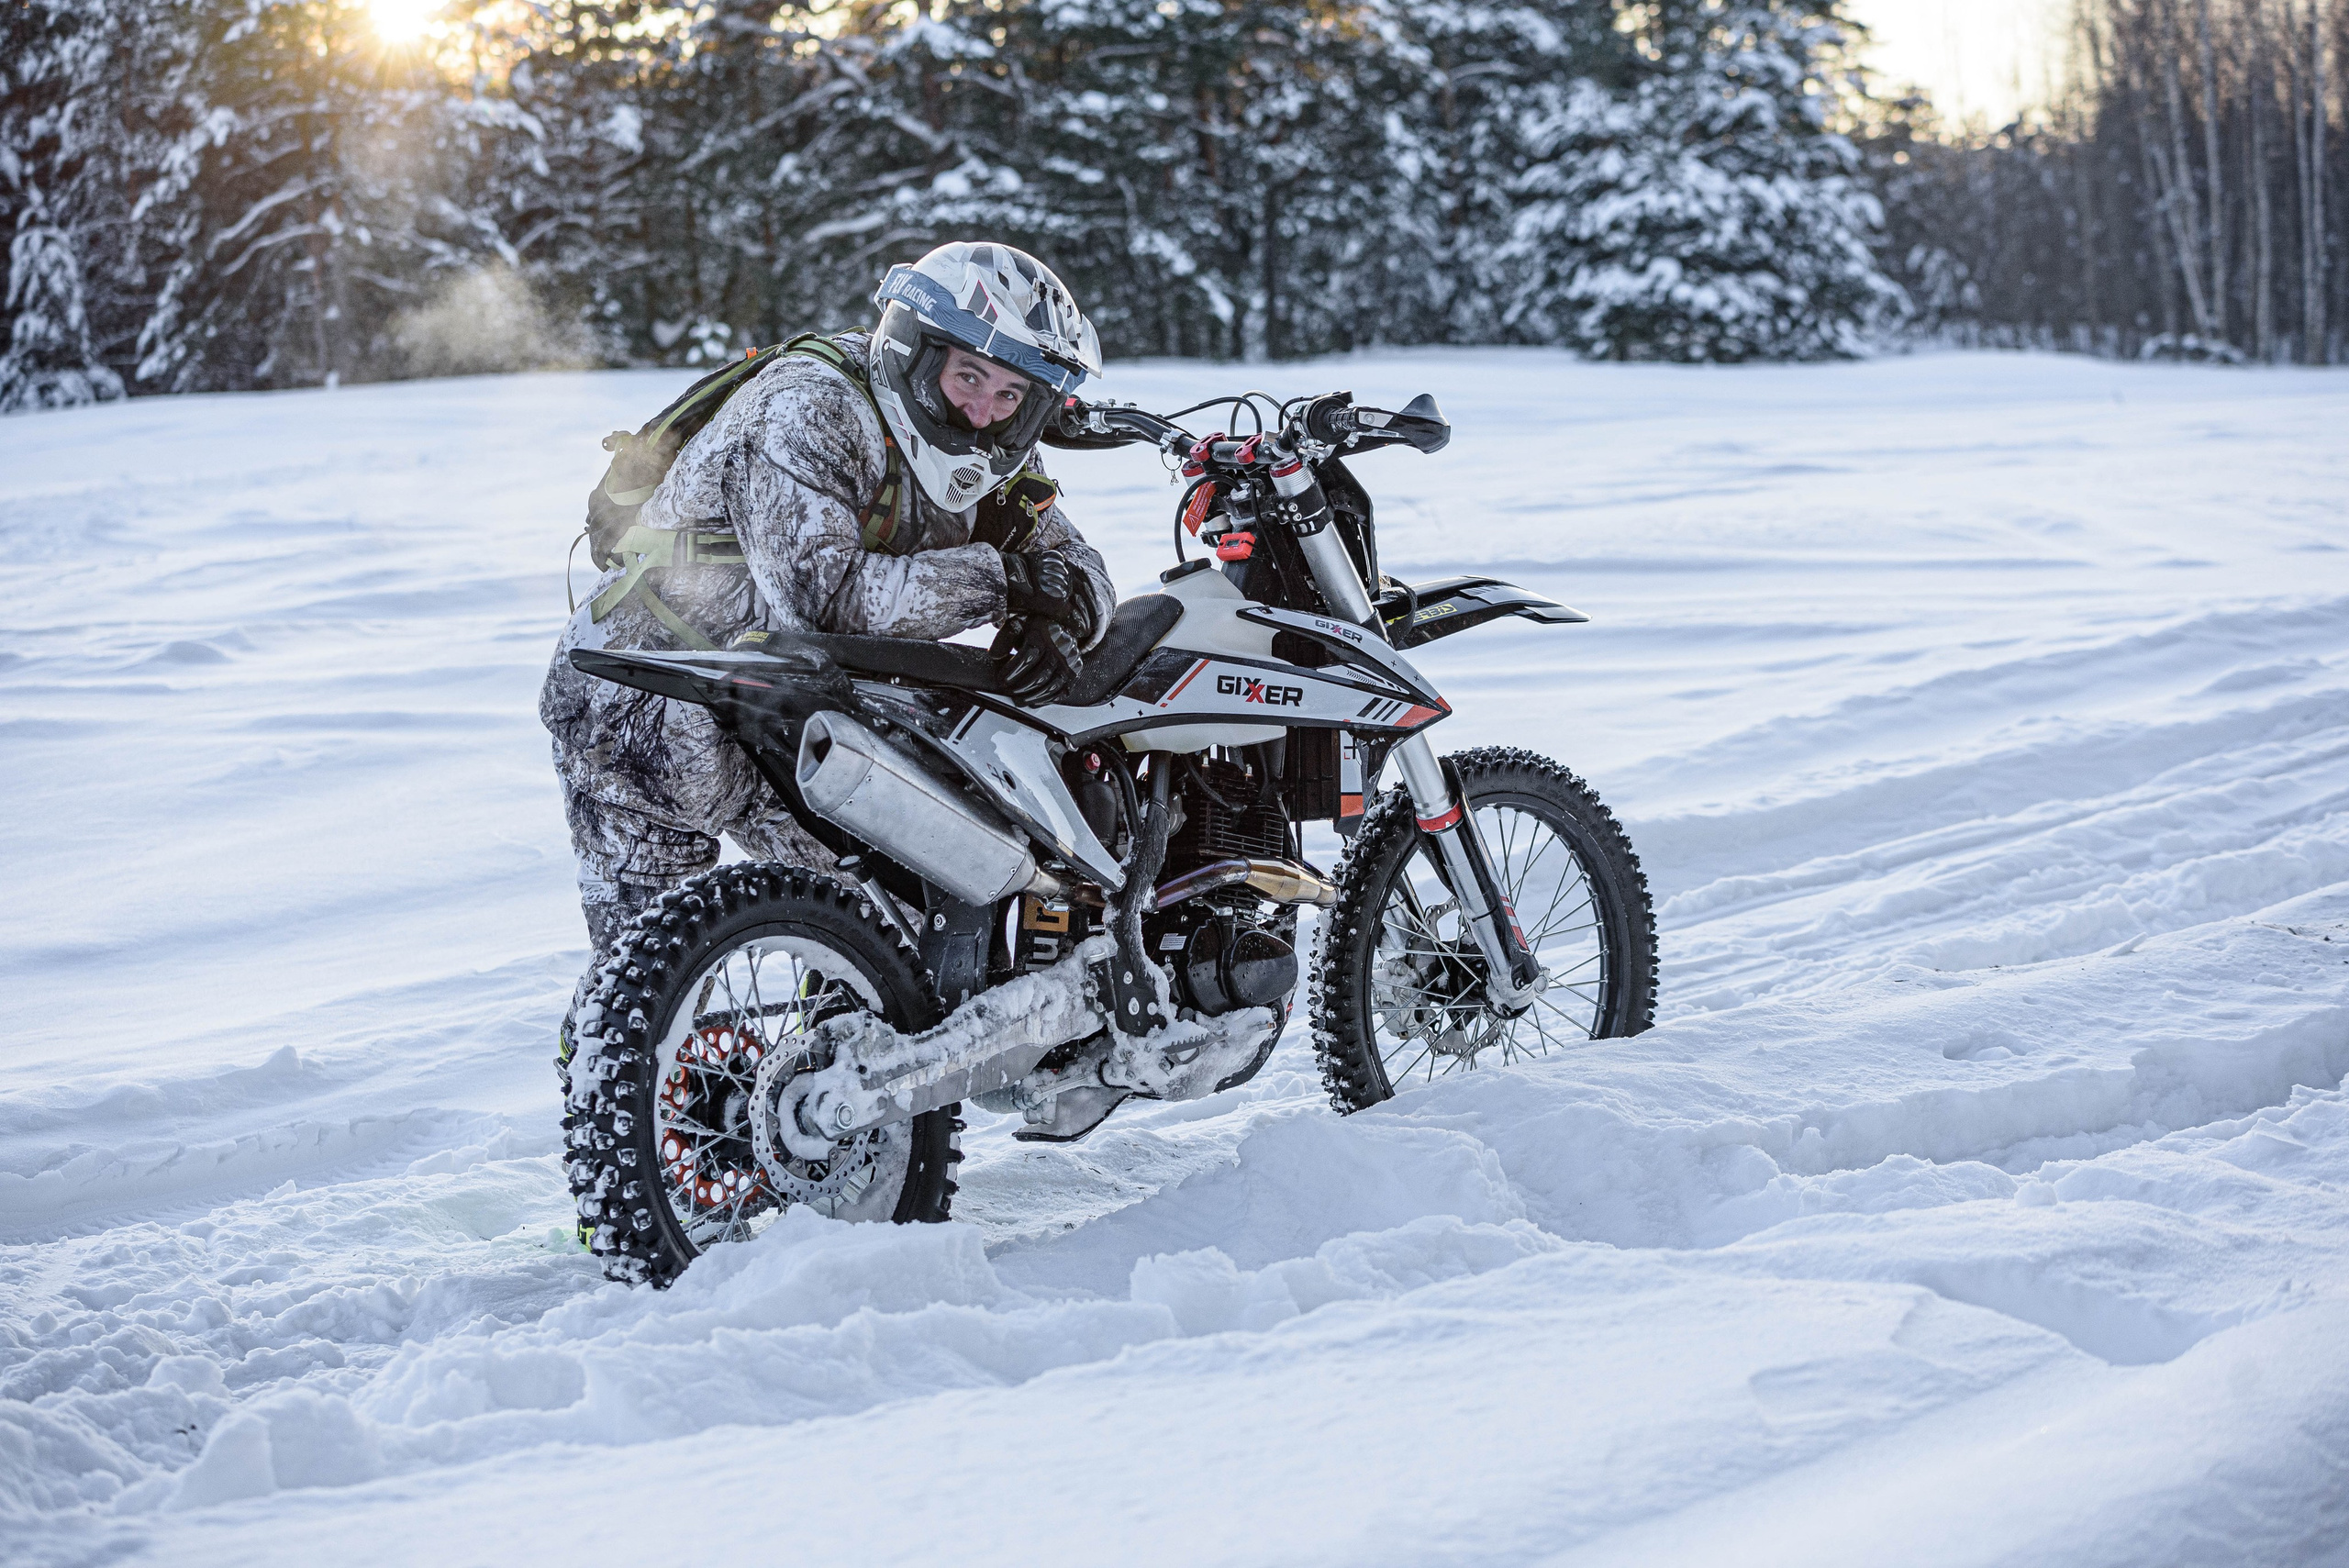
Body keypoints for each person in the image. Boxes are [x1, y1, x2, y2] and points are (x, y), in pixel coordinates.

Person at [539, 241, 1116, 1000]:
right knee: (646, 985)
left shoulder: (994, 462)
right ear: (916, 349)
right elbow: (822, 599)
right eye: (968, 375)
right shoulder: (811, 404)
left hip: (790, 721)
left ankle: (837, 1093)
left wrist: (1063, 615)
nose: (981, 411)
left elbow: (1085, 569)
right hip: (647, 702)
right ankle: (633, 1103)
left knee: (898, 945)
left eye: (1010, 396)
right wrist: (1007, 584)